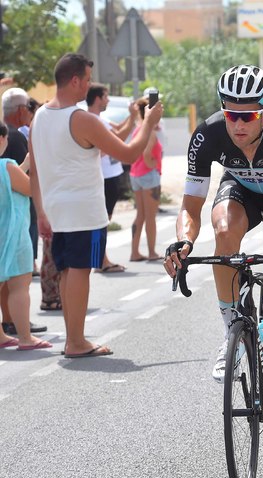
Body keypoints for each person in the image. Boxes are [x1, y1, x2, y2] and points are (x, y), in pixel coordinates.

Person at [163, 65, 263, 453]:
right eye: (230, 112)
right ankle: (232, 329)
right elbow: (190, 207)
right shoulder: (208, 133)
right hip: (242, 195)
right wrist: (183, 242)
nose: (237, 123)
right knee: (223, 232)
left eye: (247, 114)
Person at [28, 53, 163, 358]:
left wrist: (40, 212)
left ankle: (72, 338)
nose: (89, 85)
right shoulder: (81, 119)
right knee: (79, 270)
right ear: (75, 80)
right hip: (83, 208)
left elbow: (35, 170)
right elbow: (128, 155)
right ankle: (76, 341)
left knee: (66, 270)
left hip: (55, 207)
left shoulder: (40, 117)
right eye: (87, 79)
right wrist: (148, 122)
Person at [0, 122, 52, 351]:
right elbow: (29, 188)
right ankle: (25, 337)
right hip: (11, 234)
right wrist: (35, 165)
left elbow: (11, 182)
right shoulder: (6, 166)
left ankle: (1, 336)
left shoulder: (9, 169)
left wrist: (26, 164)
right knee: (20, 286)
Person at [86, 83, 137, 273]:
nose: (108, 100)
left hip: (110, 177)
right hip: (103, 178)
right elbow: (119, 137)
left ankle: (100, 259)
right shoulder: (92, 120)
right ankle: (100, 261)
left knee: (104, 221)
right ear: (98, 98)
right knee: (101, 222)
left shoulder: (100, 119)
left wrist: (132, 116)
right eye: (106, 96)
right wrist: (134, 118)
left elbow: (118, 129)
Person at [129, 97, 163, 262]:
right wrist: (154, 164)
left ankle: (134, 251)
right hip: (149, 175)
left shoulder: (138, 129)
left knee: (140, 215)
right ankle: (151, 252)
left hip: (135, 174)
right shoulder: (149, 131)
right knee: (151, 216)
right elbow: (147, 154)